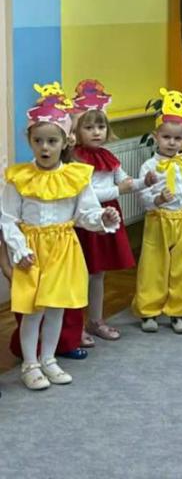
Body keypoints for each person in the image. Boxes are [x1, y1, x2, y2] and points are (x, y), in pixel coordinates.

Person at [1, 85, 119, 390]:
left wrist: (102, 219)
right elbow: (8, 219)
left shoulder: (75, 176)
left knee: (56, 308)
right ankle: (30, 364)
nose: (45, 147)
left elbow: (85, 213)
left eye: (52, 141)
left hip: (64, 249)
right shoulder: (19, 178)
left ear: (65, 141)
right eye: (38, 141)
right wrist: (18, 249)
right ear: (29, 140)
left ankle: (49, 359)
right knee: (33, 311)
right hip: (32, 252)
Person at [132, 89, 182, 334]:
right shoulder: (150, 166)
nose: (171, 143)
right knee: (153, 266)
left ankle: (179, 312)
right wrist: (158, 199)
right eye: (166, 137)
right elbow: (143, 198)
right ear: (156, 136)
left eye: (177, 139)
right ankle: (149, 311)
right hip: (159, 221)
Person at [71, 79, 138, 343]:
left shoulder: (108, 156)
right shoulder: (75, 160)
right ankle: (75, 326)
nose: (96, 132)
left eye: (100, 126)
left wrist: (147, 182)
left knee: (99, 273)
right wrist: (118, 190)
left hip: (107, 220)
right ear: (76, 129)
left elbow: (126, 180)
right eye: (88, 127)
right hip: (85, 221)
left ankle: (96, 320)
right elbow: (87, 195)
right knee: (80, 273)